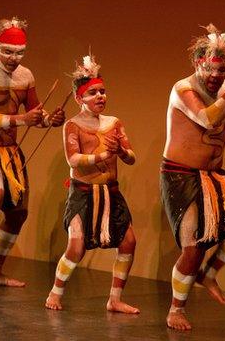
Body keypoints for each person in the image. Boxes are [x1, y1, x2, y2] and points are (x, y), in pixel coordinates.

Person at [160, 23, 225, 330]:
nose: (215, 76)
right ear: (196, 63)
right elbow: (207, 118)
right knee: (194, 248)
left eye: (220, 70)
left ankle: (211, 273)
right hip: (181, 176)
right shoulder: (184, 88)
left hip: (214, 175)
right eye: (209, 69)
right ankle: (176, 309)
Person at [0, 17, 65, 286]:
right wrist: (23, 120)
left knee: (18, 214)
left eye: (19, 53)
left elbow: (35, 114)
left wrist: (49, 120)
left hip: (9, 150)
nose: (13, 58)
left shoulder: (25, 76)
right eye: (7, 51)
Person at [44, 54, 139, 314]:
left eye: (103, 92)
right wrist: (101, 156)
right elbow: (73, 160)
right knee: (76, 247)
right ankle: (55, 292)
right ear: (79, 98)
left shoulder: (114, 123)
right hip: (83, 193)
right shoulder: (72, 125)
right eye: (93, 93)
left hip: (111, 192)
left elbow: (131, 158)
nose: (100, 97)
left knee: (128, 242)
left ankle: (115, 299)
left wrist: (120, 152)